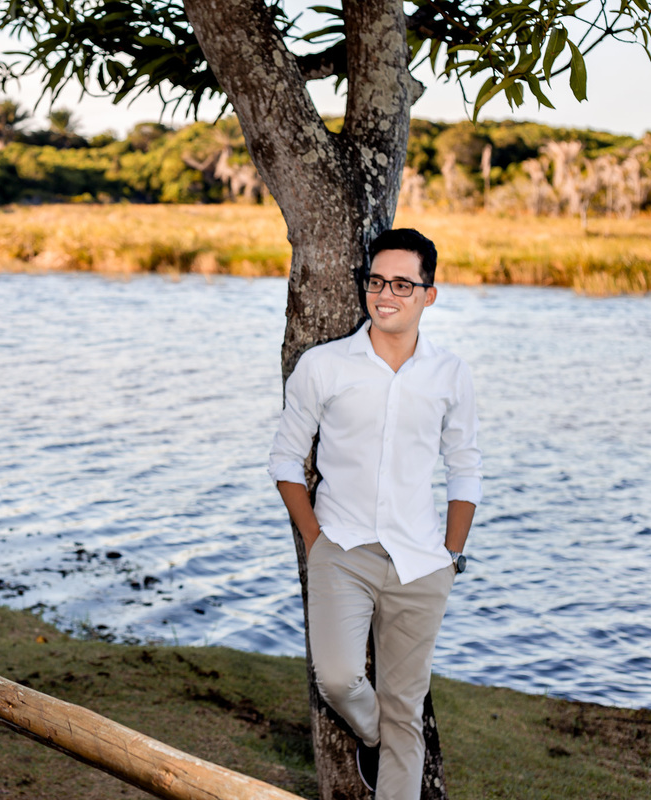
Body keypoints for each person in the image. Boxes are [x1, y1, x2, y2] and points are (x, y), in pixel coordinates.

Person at [268, 229, 480, 800]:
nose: (386, 294)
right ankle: (372, 733)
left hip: (422, 562)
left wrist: (452, 554)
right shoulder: (323, 366)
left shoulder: (450, 373)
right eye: (377, 281)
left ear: (428, 295)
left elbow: (465, 466)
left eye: (402, 284)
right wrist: (315, 540)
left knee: (406, 709)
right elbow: (285, 461)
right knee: (338, 679)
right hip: (342, 548)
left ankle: (392, 748)